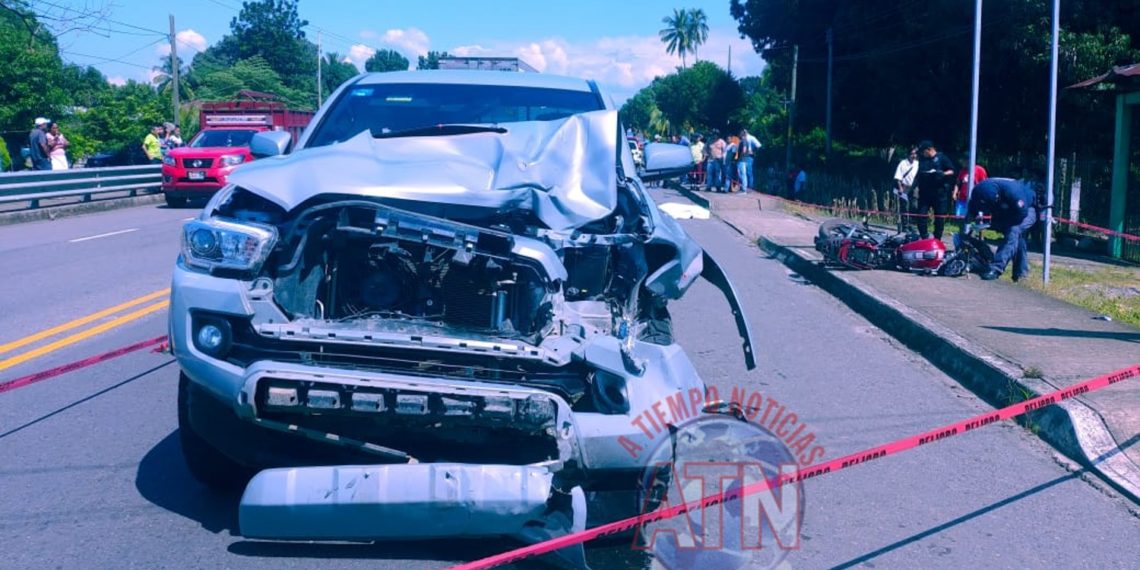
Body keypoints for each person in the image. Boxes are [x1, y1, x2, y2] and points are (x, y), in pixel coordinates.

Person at [965, 177, 1038, 282]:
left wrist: (1002, 224)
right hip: (1006, 210)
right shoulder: (979, 191)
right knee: (1018, 239)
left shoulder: (1013, 191)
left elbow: (1021, 214)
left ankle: (996, 268)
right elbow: (973, 207)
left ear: (997, 196)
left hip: (1027, 209)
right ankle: (1021, 274)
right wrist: (970, 217)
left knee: (1013, 230)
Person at [912, 140, 956, 241]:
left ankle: (937, 239)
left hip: (939, 193)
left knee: (939, 217)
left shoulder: (942, 158)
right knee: (921, 215)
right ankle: (924, 237)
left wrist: (943, 173)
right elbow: (918, 174)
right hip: (925, 193)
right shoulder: (923, 160)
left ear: (929, 149)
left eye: (924, 151)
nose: (922, 154)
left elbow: (952, 170)